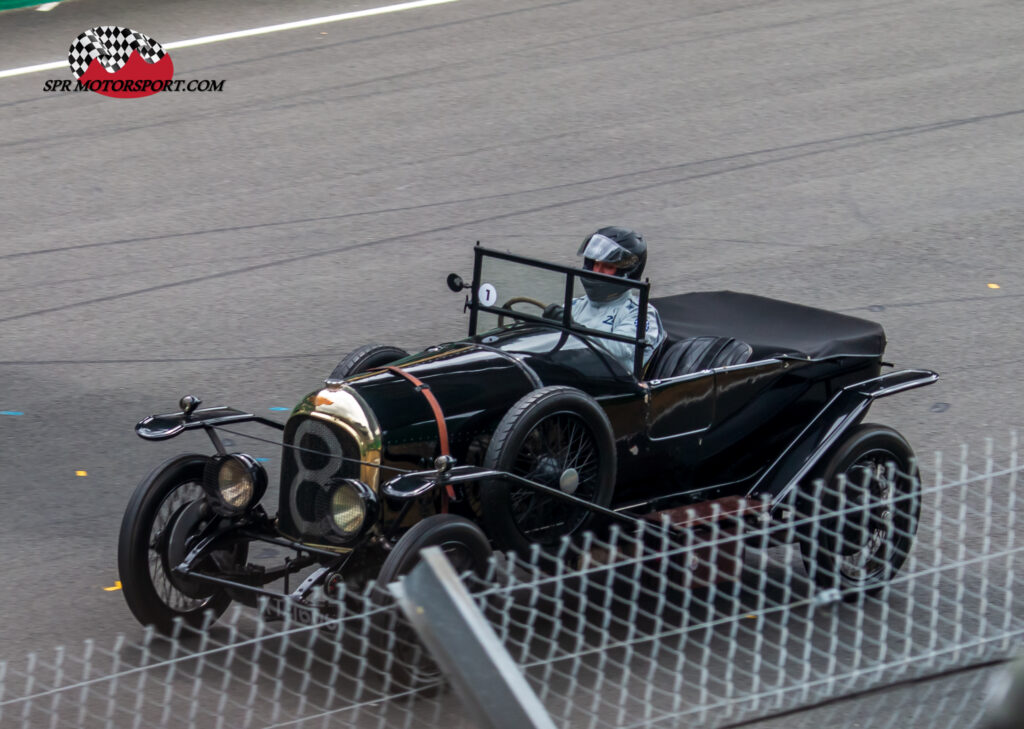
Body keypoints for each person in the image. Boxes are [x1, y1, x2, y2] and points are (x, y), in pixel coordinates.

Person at [571, 226, 666, 373]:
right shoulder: (575, 305)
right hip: (567, 376)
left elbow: (618, 350)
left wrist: (575, 330)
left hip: (608, 384)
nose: (598, 271)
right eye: (596, 264)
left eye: (608, 266)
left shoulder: (640, 314)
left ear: (627, 271)